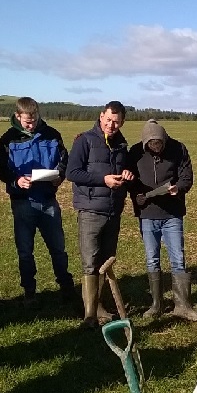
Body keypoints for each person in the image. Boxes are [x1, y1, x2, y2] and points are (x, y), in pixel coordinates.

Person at [0, 97, 76, 309]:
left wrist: (60, 175)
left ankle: (66, 288)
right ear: (17, 116)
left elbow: (63, 160)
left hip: (48, 200)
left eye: (34, 120)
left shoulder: (52, 135)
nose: (31, 124)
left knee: (58, 248)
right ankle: (29, 292)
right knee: (25, 251)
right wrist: (16, 180)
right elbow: (1, 170)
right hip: (23, 203)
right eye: (27, 121)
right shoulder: (8, 139)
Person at [128, 120, 197, 322]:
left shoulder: (178, 149)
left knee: (178, 259)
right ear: (145, 143)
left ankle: (183, 306)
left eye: (159, 144)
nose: (156, 148)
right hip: (147, 214)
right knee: (152, 259)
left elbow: (187, 176)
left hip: (172, 214)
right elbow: (130, 180)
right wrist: (137, 195)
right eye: (152, 145)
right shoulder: (135, 152)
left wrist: (178, 188)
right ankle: (156, 305)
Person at [66, 101, 134, 328]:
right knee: (90, 261)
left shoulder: (122, 145)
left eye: (116, 121)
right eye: (108, 120)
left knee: (105, 261)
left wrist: (127, 173)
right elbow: (72, 172)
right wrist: (102, 179)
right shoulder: (84, 140)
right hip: (90, 209)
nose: (111, 125)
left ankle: (100, 306)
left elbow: (128, 172)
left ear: (122, 122)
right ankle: (89, 315)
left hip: (114, 210)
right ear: (101, 116)